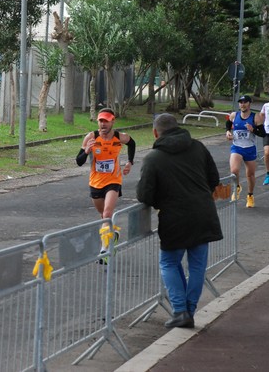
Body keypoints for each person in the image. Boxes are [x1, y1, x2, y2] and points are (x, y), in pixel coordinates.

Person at [137, 113, 223, 329]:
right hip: (204, 214)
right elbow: (214, 179)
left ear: (156, 132)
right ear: (178, 127)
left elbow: (144, 195)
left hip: (174, 218)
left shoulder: (153, 158)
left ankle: (180, 310)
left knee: (168, 262)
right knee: (197, 266)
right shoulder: (198, 147)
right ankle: (189, 311)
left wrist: (162, 200)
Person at [76, 108, 136, 258]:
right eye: (100, 121)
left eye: (106, 121)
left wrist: (129, 162)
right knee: (103, 215)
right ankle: (112, 234)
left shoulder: (120, 137)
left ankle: (105, 249)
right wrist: (86, 151)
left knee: (108, 212)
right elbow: (78, 161)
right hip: (95, 182)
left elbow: (132, 143)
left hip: (113, 181)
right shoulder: (91, 137)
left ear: (112, 122)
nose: (103, 125)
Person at [225, 95, 265, 207]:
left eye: (245, 102)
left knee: (250, 174)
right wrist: (228, 132)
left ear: (249, 104)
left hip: (250, 148)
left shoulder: (255, 117)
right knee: (234, 170)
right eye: (241, 102)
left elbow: (263, 134)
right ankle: (237, 187)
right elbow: (228, 124)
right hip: (237, 147)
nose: (242, 104)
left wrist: (253, 130)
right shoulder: (234, 115)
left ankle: (250, 196)